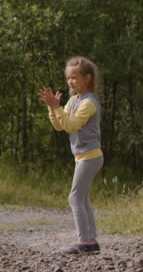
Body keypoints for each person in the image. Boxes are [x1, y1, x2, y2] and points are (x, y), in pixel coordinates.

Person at [38, 56, 103, 255]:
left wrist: (58, 108)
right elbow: (60, 126)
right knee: (82, 198)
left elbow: (73, 125)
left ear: (87, 78)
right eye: (68, 78)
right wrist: (53, 108)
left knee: (75, 197)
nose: (70, 82)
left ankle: (85, 241)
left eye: (75, 78)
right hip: (83, 157)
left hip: (90, 156)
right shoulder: (74, 100)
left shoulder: (89, 102)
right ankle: (91, 241)